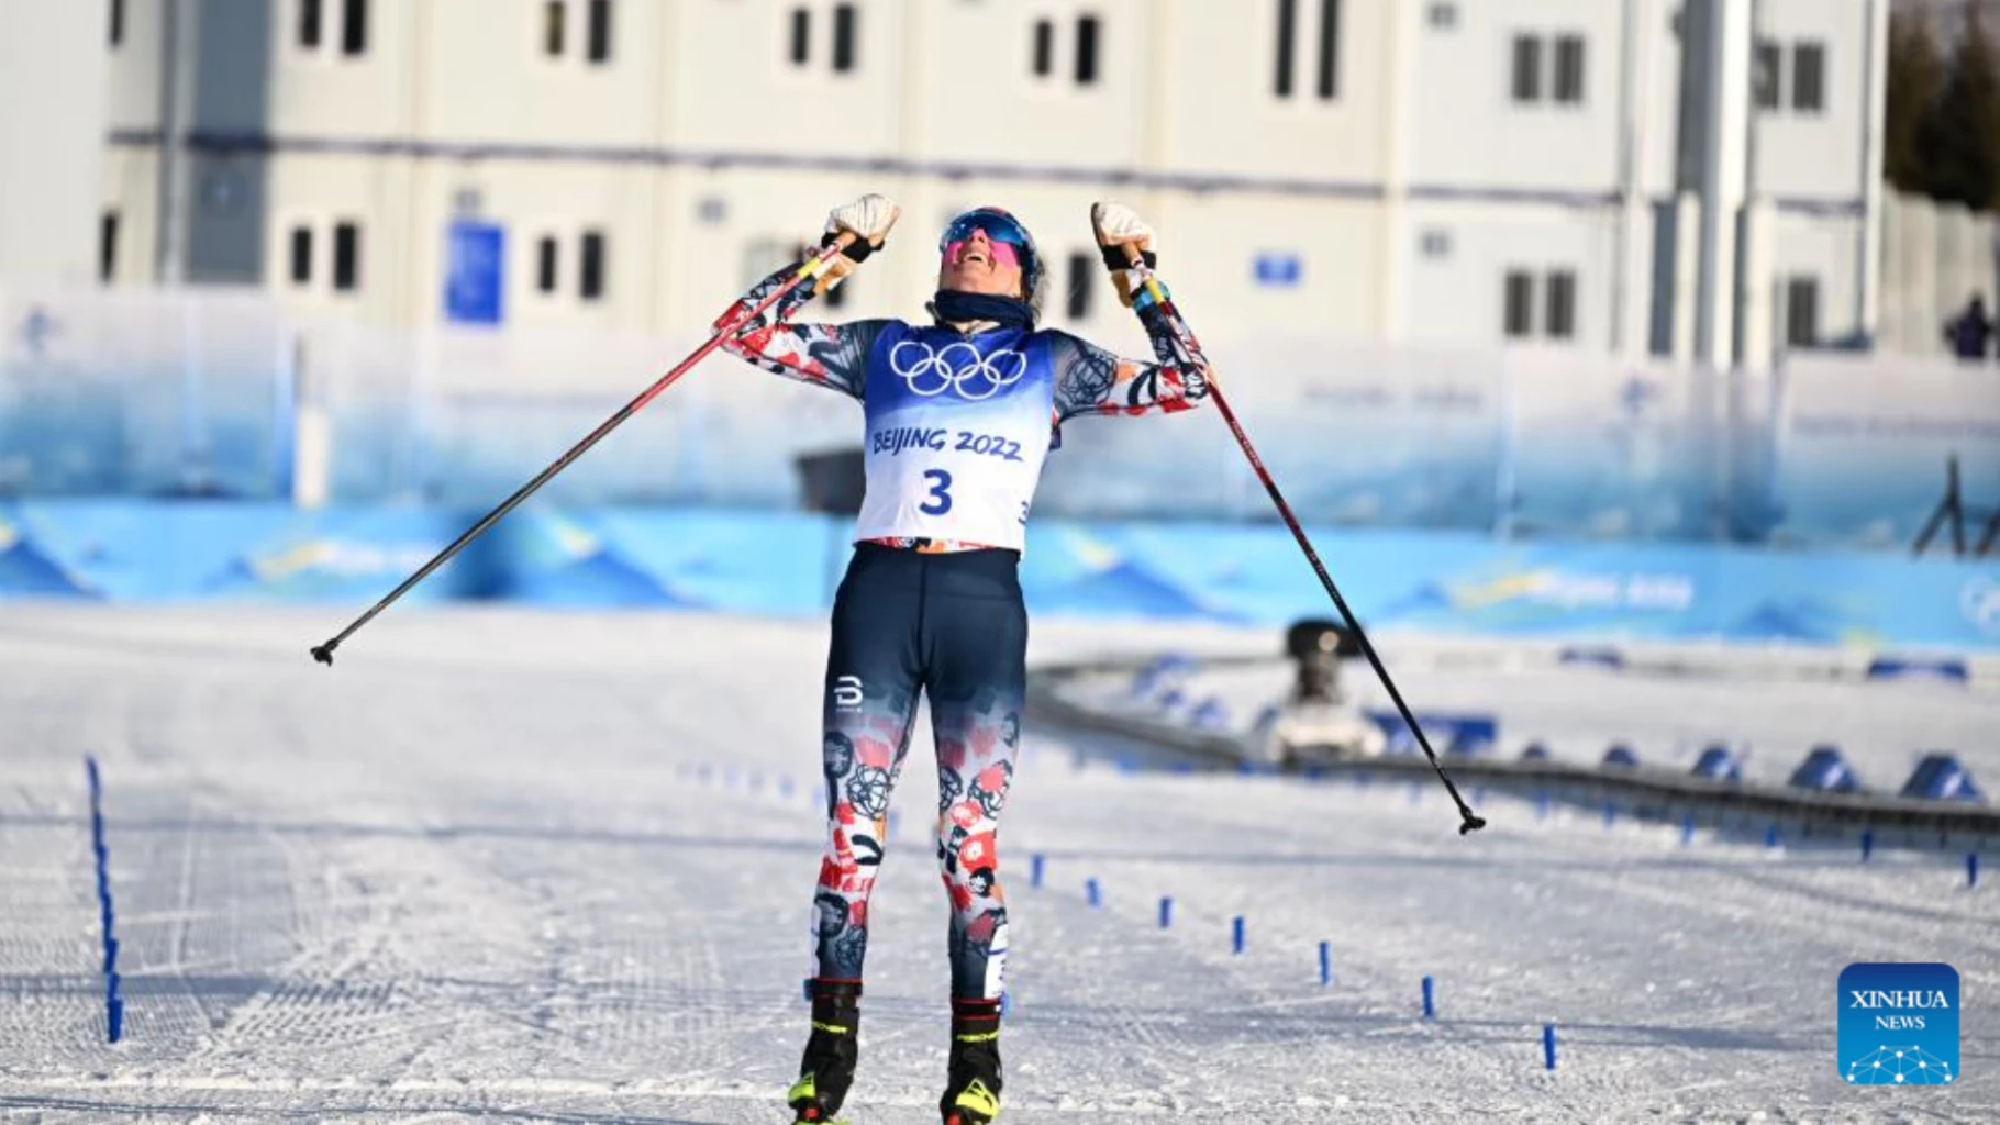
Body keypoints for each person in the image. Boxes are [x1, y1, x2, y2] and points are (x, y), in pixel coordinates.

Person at [712, 195, 1214, 1125]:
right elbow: (742, 333)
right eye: (960, 239)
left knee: (965, 845)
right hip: (881, 598)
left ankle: (975, 1062)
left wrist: (1133, 268)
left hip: (981, 605)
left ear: (1026, 277)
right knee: (850, 839)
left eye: (998, 242)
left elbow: (1188, 382)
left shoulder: (1052, 360)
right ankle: (828, 1052)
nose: (974, 244)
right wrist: (837, 252)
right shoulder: (884, 347)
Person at [1947, 295, 1994, 361]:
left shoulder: (1961, 320)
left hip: (1962, 357)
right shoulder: (1980, 322)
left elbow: (1948, 332)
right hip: (1977, 358)